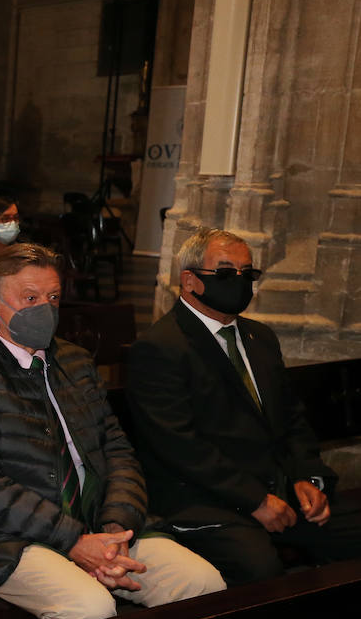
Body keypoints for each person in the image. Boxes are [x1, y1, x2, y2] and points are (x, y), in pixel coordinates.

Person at [0, 244, 225, 619]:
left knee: (201, 584)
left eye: (52, 297)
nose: (44, 309)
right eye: (29, 298)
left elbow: (117, 452)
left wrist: (115, 528)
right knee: (88, 608)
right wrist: (73, 539)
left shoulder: (76, 361)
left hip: (96, 523)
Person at [125, 227, 361, 585]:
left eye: (246, 273)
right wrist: (256, 500)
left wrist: (307, 477)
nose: (239, 281)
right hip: (205, 498)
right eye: (224, 273)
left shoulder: (260, 337)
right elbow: (181, 447)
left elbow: (292, 420)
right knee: (259, 569)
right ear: (190, 281)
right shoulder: (160, 347)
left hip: (275, 487)